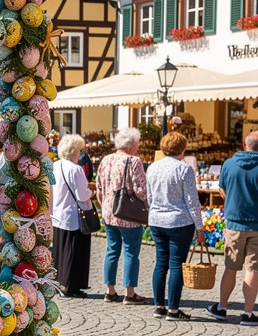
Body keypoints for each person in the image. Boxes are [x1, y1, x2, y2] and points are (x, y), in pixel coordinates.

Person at [146, 131, 204, 321]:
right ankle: (173, 308)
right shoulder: (183, 169)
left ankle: (158, 306)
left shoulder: (153, 168)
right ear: (182, 148)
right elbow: (192, 200)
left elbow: (149, 197)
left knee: (161, 263)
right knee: (176, 264)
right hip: (179, 221)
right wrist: (199, 227)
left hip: (157, 219)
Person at [208, 130, 258, 325]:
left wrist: (232, 201)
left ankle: (222, 307)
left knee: (230, 267)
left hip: (235, 223)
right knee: (253, 269)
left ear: (245, 146)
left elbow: (222, 188)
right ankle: (247, 312)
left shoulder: (229, 163)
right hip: (257, 225)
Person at [96, 128, 149, 305]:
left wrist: (105, 204)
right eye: (138, 144)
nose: (138, 147)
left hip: (109, 212)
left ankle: (109, 291)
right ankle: (130, 293)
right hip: (128, 214)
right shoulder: (133, 161)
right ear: (132, 144)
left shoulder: (105, 160)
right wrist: (147, 205)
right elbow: (140, 190)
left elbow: (99, 188)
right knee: (131, 253)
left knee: (111, 250)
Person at [53, 134, 95, 298]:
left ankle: (60, 282)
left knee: (60, 252)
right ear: (73, 151)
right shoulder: (76, 169)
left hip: (58, 214)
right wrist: (92, 192)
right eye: (79, 150)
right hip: (73, 217)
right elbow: (82, 195)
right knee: (73, 252)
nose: (80, 153)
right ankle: (71, 286)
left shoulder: (55, 166)